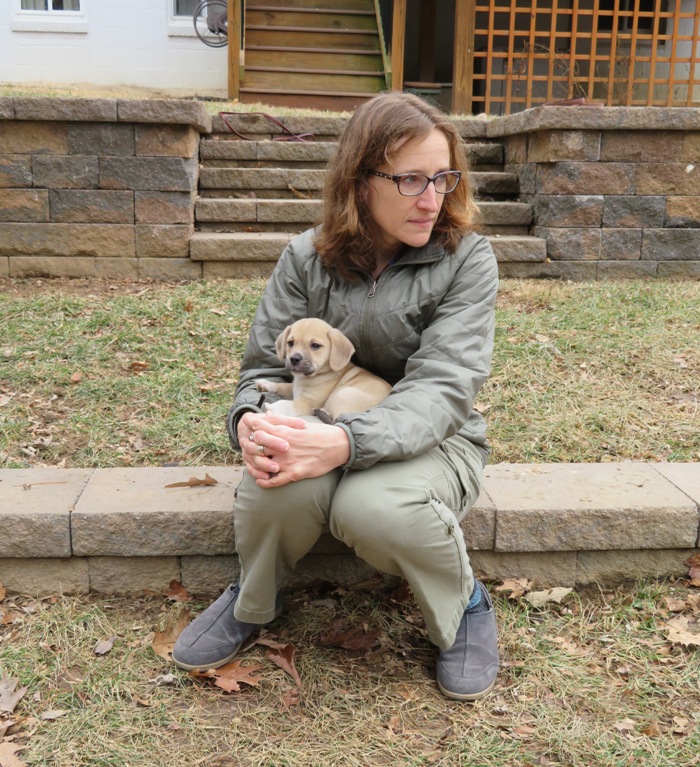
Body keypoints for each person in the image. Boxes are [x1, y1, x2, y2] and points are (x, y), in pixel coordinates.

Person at [173, 91, 500, 701]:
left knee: (374, 509)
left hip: (430, 437)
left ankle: (463, 607)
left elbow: (444, 385)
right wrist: (248, 420)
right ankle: (252, 599)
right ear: (360, 179)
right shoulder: (305, 257)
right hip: (321, 419)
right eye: (409, 180)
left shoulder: (466, 259)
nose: (432, 199)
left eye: (443, 177)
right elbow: (258, 372)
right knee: (276, 485)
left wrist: (346, 442)